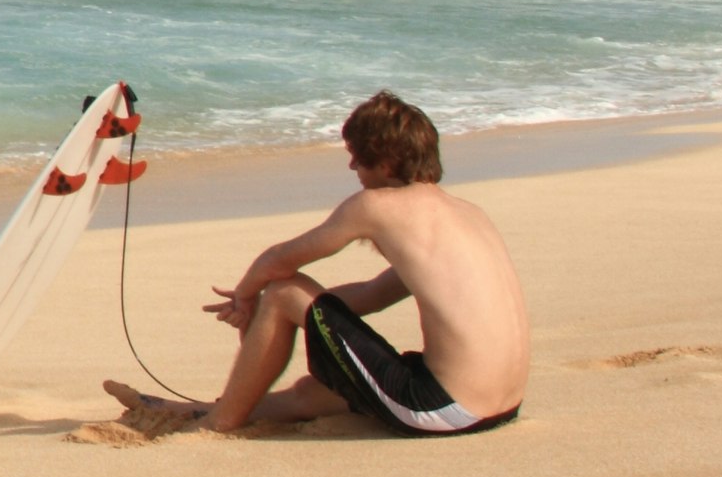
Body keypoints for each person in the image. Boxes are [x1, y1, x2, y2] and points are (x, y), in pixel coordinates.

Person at [106, 90, 530, 438]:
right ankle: (192, 409)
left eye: (356, 157)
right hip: (500, 405)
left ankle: (219, 423)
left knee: (283, 289)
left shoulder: (378, 206)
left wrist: (247, 297)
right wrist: (303, 316)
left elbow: (277, 261)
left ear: (384, 162)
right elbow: (369, 296)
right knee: (315, 393)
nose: (351, 167)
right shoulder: (469, 215)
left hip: (442, 407)